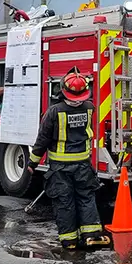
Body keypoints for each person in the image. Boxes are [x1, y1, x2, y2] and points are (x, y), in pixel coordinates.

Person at [28, 70, 111, 250]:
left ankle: (69, 240)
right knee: (86, 197)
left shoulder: (54, 112)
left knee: (64, 201)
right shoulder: (89, 108)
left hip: (60, 167)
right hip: (83, 164)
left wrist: (32, 163)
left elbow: (42, 140)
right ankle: (91, 235)